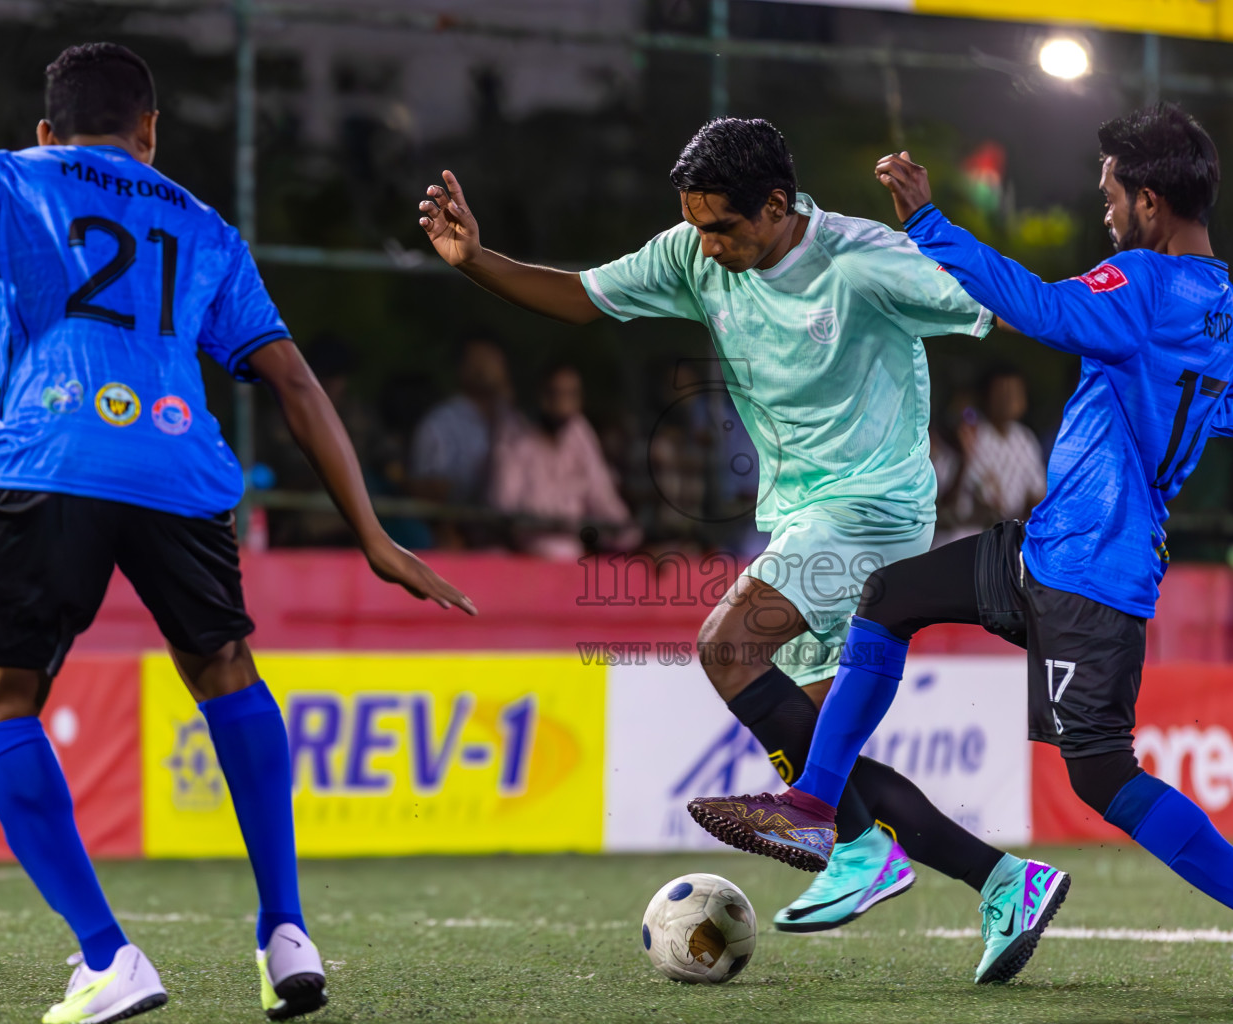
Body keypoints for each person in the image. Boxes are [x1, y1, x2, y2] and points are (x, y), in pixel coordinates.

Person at [688, 105, 1233, 1004]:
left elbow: (1039, 308)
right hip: (1048, 551)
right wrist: (1188, 413)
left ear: (1150, 201)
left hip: (1092, 574)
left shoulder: (1144, 282)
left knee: (1102, 774)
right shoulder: (1229, 313)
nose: (1104, 205)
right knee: (888, 597)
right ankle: (816, 807)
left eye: (1112, 191)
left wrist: (927, 223)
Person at [419, 118, 1023, 959]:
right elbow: (581, 298)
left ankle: (856, 850)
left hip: (874, 508)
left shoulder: (863, 259)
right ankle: (1003, 882)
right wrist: (476, 260)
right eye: (695, 223)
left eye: (721, 227)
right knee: (822, 755)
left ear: (777, 205)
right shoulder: (694, 252)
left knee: (726, 646)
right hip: (801, 512)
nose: (703, 244)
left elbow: (1004, 308)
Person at [0, 43, 474, 1023]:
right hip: (177, 463)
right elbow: (292, 379)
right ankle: (286, 930)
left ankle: (107, 956)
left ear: (45, 131)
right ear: (150, 136)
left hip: (52, 452)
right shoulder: (201, 223)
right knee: (226, 668)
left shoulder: (0, 176)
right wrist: (370, 532)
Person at [491, 363, 638, 559]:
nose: (562, 403)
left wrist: (635, 539)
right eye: (554, 393)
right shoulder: (515, 434)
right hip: (525, 558)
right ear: (539, 395)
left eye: (571, 394)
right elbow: (502, 507)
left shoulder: (579, 431)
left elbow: (604, 499)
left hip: (572, 559)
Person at [409, 335, 513, 548]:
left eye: (495, 359)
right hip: (456, 541)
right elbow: (428, 493)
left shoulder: (515, 422)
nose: (489, 367)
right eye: (481, 360)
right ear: (462, 368)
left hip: (511, 541)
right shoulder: (440, 424)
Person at [954, 366, 1045, 526]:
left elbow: (1038, 494)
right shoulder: (972, 434)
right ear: (985, 396)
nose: (1008, 400)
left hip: (1013, 530)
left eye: (1014, 393)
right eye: (1001, 393)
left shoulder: (1025, 437)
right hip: (973, 530)